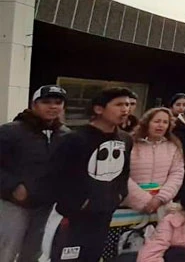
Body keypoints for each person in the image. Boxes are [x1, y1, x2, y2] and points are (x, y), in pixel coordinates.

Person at [41, 87, 134, 262]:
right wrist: (77, 203)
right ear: (99, 109)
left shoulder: (125, 139)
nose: (125, 110)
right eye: (119, 104)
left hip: (104, 214)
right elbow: (56, 177)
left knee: (93, 256)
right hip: (74, 217)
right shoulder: (74, 139)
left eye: (128, 105)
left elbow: (124, 173)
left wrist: (119, 195)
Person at [0, 85, 70, 262]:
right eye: (46, 102)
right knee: (7, 250)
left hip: (46, 206)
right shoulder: (10, 131)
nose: (53, 106)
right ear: (34, 104)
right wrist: (13, 186)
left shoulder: (66, 135)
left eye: (58, 102)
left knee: (34, 252)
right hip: (13, 204)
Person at [124, 108, 185, 213]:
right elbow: (122, 175)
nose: (160, 125)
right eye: (156, 121)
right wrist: (145, 200)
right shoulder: (130, 144)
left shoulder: (173, 146)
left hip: (162, 206)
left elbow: (177, 174)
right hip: (130, 206)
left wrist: (160, 198)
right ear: (147, 123)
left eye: (165, 122)